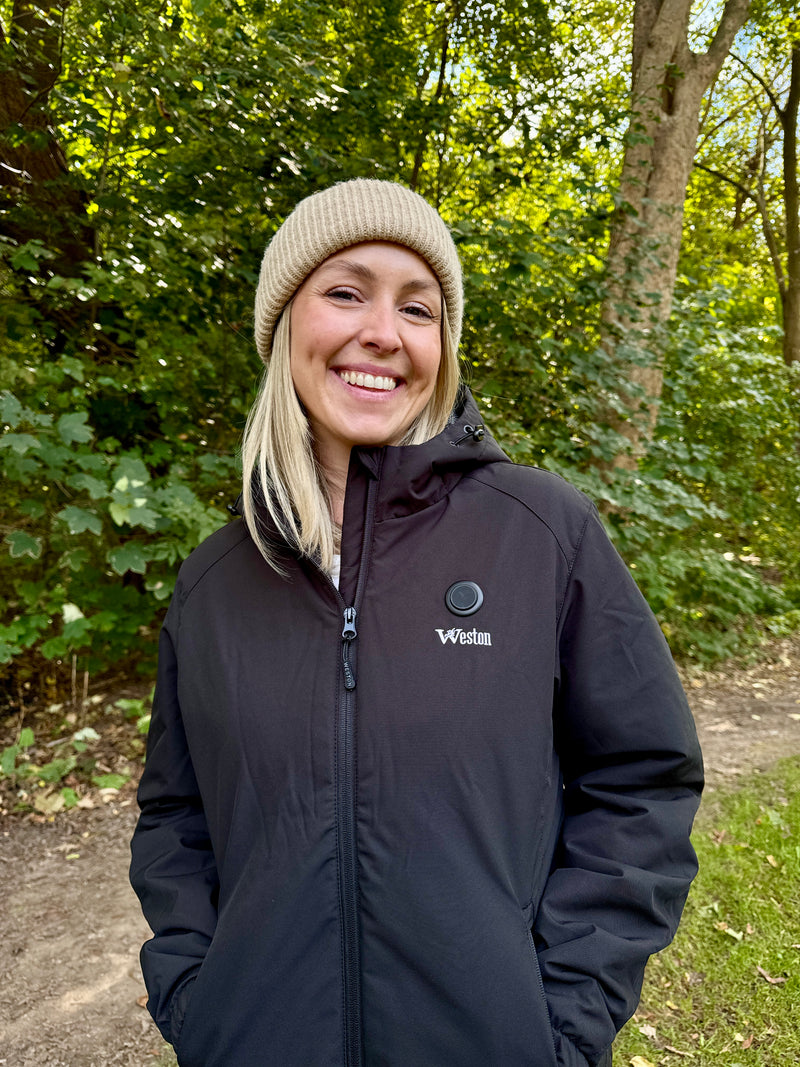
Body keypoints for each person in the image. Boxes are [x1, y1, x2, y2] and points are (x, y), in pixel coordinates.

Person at [130, 179, 703, 1067]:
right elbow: (176, 815)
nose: (384, 334)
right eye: (346, 291)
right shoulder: (215, 581)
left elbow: (642, 775)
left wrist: (563, 1018)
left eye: (419, 308)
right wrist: (198, 997)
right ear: (285, 323)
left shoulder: (540, 532)